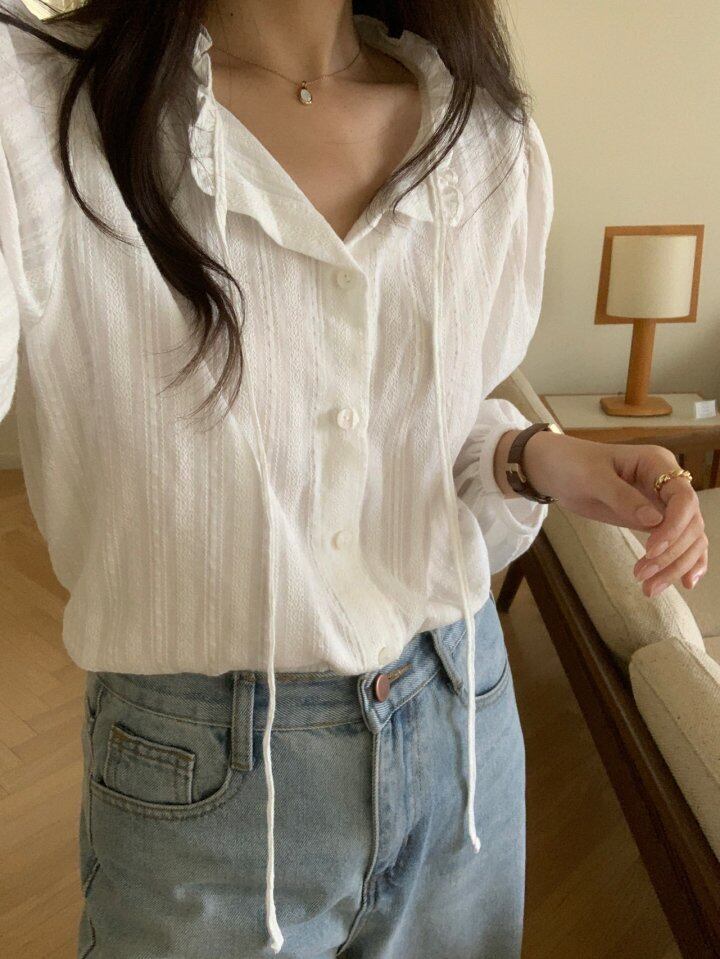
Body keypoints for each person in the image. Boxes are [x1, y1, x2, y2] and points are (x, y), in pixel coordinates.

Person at [0, 1, 707, 956]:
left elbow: (421, 428)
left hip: (462, 728)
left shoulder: (484, 138)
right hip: (202, 786)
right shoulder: (38, 107)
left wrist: (533, 456)